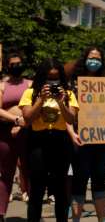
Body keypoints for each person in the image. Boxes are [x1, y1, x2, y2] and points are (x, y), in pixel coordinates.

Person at [20, 59, 79, 222]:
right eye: (49, 78)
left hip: (61, 142)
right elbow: (27, 118)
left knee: (61, 190)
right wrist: (40, 99)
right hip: (38, 142)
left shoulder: (68, 94)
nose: (53, 81)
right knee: (37, 190)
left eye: (56, 78)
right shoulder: (30, 93)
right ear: (42, 77)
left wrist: (61, 102)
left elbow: (71, 119)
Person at [68, 47, 105, 222]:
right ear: (84, 59)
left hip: (103, 139)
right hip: (81, 139)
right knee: (79, 179)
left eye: (98, 58)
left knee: (99, 178)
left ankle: (102, 219)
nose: (94, 61)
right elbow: (68, 113)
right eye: (91, 58)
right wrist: (71, 134)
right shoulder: (74, 83)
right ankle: (75, 219)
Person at [0, 50, 31, 220]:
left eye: (19, 63)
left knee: (30, 172)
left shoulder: (31, 84)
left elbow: (36, 109)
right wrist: (16, 120)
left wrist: (22, 125)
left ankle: (34, 213)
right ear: (7, 66)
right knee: (6, 174)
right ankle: (1, 212)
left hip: (28, 134)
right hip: (5, 135)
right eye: (13, 65)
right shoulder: (2, 86)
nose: (17, 67)